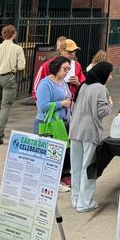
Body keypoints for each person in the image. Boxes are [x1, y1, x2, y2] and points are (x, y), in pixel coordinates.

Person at [68, 61, 112, 212]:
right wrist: (109, 105)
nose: (110, 76)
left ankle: (75, 199)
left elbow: (74, 105)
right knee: (88, 167)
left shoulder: (83, 85)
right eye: (109, 73)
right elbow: (102, 111)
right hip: (90, 132)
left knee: (76, 167)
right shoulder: (100, 89)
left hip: (75, 130)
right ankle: (85, 203)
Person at [35, 55, 73, 191]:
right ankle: (51, 181)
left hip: (62, 122)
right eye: (64, 68)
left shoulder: (63, 83)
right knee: (51, 153)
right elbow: (43, 106)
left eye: (68, 69)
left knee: (64, 152)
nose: (66, 71)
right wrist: (60, 103)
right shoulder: (45, 84)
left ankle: (63, 177)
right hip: (49, 123)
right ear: (56, 68)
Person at [0, 24, 26, 145]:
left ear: (3, 35)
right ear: (13, 35)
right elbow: (21, 66)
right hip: (9, 77)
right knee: (5, 106)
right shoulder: (17, 49)